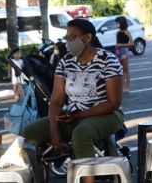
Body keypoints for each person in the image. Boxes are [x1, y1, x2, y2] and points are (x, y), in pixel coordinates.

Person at [22, 19, 124, 183]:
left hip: (107, 115)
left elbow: (114, 102)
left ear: (87, 38)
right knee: (30, 131)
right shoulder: (65, 63)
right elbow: (55, 101)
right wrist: (55, 132)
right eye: (67, 38)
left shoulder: (108, 60)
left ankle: (87, 179)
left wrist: (81, 115)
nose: (68, 42)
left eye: (72, 37)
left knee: (81, 132)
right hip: (73, 116)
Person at [115, 16, 134, 92]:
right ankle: (123, 87)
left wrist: (121, 45)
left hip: (124, 51)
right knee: (120, 70)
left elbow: (132, 43)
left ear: (121, 23)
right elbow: (117, 43)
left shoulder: (127, 32)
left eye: (117, 23)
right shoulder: (117, 32)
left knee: (126, 70)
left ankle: (127, 87)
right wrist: (116, 48)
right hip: (118, 52)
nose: (116, 24)